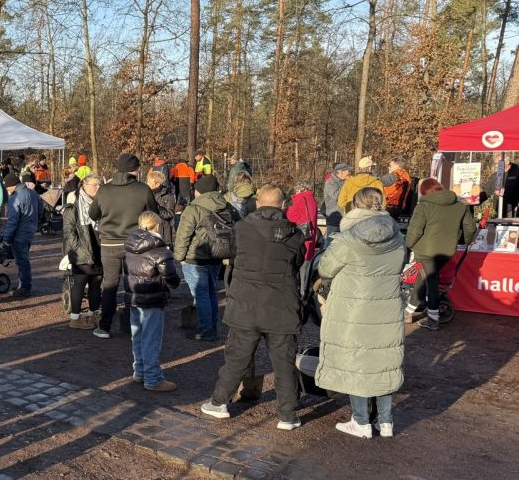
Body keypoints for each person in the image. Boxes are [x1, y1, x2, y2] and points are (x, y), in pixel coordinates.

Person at [200, 186, 305, 429]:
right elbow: (297, 261)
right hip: (282, 305)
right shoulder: (295, 234)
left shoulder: (241, 228)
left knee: (237, 357)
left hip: (246, 304)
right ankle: (287, 416)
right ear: (283, 204)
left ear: (258, 203)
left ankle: (218, 402)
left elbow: (233, 255)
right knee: (284, 363)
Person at [315, 188, 405, 439]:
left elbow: (325, 268)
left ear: (355, 206)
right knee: (383, 363)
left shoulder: (347, 240)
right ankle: (385, 422)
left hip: (352, 309)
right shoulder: (397, 236)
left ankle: (361, 421)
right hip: (387, 307)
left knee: (357, 364)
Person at [88, 153, 159, 339]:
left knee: (109, 285)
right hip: (135, 243)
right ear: (136, 169)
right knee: (134, 283)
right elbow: (154, 214)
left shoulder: (103, 190)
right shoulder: (143, 190)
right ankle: (132, 325)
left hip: (109, 244)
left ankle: (104, 326)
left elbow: (93, 214)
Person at [405, 178, 475, 331]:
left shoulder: (423, 206)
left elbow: (415, 230)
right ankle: (409, 312)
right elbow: (470, 228)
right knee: (423, 278)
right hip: (447, 251)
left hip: (425, 251)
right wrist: (466, 241)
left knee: (431, 281)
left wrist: (409, 245)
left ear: (424, 191)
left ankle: (433, 319)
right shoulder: (460, 205)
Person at [174, 173, 238, 341]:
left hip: (195, 258)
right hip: (218, 256)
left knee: (201, 295)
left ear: (199, 191)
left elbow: (183, 235)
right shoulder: (227, 206)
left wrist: (179, 257)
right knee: (211, 293)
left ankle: (206, 330)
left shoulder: (193, 209)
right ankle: (211, 326)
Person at [125, 211, 182, 392]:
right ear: (157, 226)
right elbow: (171, 277)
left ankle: (140, 372)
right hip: (153, 297)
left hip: (134, 295)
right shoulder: (160, 249)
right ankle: (153, 378)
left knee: (138, 337)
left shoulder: (129, 244)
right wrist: (173, 284)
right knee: (151, 339)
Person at [64, 174, 103, 329]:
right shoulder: (73, 206)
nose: (98, 187)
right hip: (81, 252)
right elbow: (69, 233)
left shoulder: (101, 204)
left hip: (98, 249)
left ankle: (93, 314)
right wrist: (81, 251)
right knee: (80, 282)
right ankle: (75, 318)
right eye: (95, 184)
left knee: (97, 283)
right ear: (84, 186)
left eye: (99, 184)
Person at [3, 173, 41, 297]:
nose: (7, 189)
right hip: (30, 230)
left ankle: (25, 287)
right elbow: (41, 209)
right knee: (23, 258)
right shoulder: (33, 193)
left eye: (7, 187)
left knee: (22, 260)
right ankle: (22, 285)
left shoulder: (16, 197)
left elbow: (12, 221)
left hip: (20, 233)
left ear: (11, 185)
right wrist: (35, 223)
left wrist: (6, 239)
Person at [285, 180, 320, 262]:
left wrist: (284, 210)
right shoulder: (312, 198)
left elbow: (291, 216)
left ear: (301, 189)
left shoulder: (301, 198)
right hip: (310, 237)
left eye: (296, 189)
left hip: (301, 239)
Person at [146, 170, 178, 242]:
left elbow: (170, 214)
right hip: (148, 230)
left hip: (162, 233)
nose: (147, 184)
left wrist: (156, 206)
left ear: (157, 184)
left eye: (149, 182)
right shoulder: (146, 193)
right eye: (147, 181)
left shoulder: (168, 196)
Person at [323, 163, 352, 235]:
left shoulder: (344, 181)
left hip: (344, 217)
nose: (349, 173)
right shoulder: (330, 182)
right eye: (347, 171)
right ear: (341, 172)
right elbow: (336, 196)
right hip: (334, 217)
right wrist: (347, 184)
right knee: (331, 240)